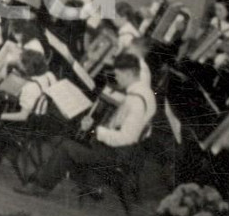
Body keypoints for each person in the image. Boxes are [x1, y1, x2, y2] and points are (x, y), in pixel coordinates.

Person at [15, 53, 156, 197]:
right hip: (119, 149)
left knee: (67, 146)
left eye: (118, 74)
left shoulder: (136, 100)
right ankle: (88, 182)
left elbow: (127, 138)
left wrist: (96, 131)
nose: (116, 78)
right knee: (70, 134)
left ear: (128, 73)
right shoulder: (145, 92)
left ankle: (40, 185)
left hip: (117, 154)